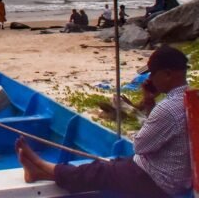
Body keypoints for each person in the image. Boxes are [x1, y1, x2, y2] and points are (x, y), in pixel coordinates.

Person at [15, 45, 191, 197]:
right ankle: (43, 173)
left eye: (152, 74)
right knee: (116, 164)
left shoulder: (167, 109)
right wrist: (149, 102)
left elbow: (139, 146)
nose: (149, 79)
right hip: (174, 176)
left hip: (158, 180)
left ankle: (41, 166)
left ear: (167, 74)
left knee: (99, 171)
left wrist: (149, 106)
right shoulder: (190, 98)